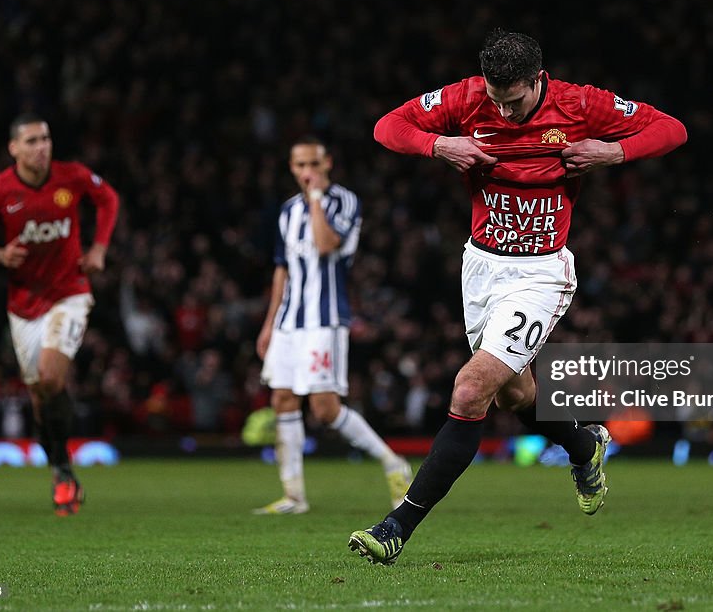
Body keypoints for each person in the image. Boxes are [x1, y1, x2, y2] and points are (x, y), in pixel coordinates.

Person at [349, 29, 687, 564]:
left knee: (470, 389)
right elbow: (387, 126)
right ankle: (584, 446)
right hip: (481, 267)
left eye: (515, 101)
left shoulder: (579, 103)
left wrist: (613, 152)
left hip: (539, 274)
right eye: (496, 100)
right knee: (512, 395)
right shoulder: (466, 98)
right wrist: (440, 144)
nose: (503, 113)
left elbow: (672, 129)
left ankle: (396, 528)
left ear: (537, 79)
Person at [0, 114, 119, 516]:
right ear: (13, 148)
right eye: (31, 140)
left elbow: (108, 199)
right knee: (40, 395)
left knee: (49, 377)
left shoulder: (72, 177)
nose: (41, 146)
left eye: (45, 138)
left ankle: (63, 471)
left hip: (70, 293)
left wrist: (98, 248)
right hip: (24, 306)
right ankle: (61, 469)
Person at [252, 137, 412, 515]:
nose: (306, 172)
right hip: (290, 320)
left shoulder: (344, 201)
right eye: (299, 166)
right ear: (292, 168)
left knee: (324, 409)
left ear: (327, 165)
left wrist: (318, 199)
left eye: (313, 164)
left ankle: (394, 462)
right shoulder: (287, 210)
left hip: (325, 319)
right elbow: (282, 269)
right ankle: (294, 496)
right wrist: (269, 323)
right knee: (282, 399)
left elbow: (325, 245)